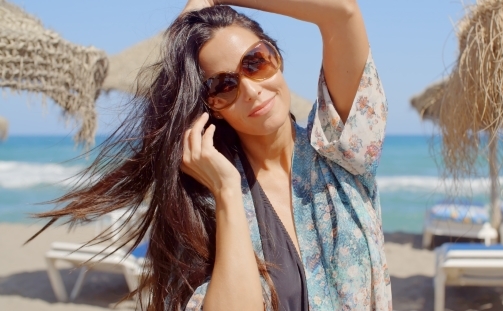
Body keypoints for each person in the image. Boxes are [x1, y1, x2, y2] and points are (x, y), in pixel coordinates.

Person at [32, 0, 391, 310]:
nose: (250, 90)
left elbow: (341, 12)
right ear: (212, 108)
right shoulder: (201, 206)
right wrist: (227, 193)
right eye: (223, 85)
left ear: (276, 56)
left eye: (255, 62)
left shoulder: (343, 153)